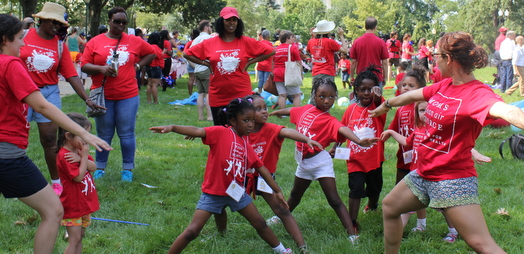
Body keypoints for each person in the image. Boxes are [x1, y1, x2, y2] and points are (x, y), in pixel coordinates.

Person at [369, 31, 524, 254]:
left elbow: (507, 110)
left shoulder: (477, 94)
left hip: (451, 179)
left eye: (436, 55)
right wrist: (387, 103)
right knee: (390, 206)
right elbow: (414, 95)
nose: (433, 60)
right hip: (424, 173)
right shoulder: (445, 86)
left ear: (448, 59)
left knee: (481, 244)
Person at [0, 14, 111, 254]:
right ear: (4, 39)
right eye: (20, 38)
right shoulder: (10, 64)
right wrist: (84, 133)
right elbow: (41, 106)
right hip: (6, 157)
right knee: (54, 212)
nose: (23, 44)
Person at [149, 98, 293, 254]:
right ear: (232, 120)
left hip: (236, 193)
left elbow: (262, 169)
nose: (251, 124)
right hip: (213, 194)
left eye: (252, 120)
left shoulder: (246, 144)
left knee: (260, 223)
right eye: (245, 120)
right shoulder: (220, 132)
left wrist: (277, 190)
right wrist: (172, 127)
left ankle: (281, 250)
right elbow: (198, 131)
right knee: (192, 231)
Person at [270, 78, 380, 244]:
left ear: (335, 97)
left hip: (321, 162)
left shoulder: (330, 120)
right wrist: (277, 112)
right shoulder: (305, 110)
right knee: (294, 194)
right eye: (322, 96)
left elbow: (343, 129)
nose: (326, 100)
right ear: (314, 95)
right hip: (303, 163)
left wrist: (357, 141)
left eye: (331, 97)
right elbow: (293, 111)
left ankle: (352, 234)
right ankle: (279, 217)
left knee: (334, 199)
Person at [20, 2, 103, 196]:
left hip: (48, 93)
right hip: (22, 93)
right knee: (18, 139)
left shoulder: (59, 45)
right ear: (42, 20)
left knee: (49, 139)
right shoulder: (23, 37)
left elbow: (70, 74)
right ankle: (16, 179)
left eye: (60, 25)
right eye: (53, 23)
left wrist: (86, 99)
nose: (57, 27)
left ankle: (56, 181)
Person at [382, 102, 492, 244]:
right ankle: (397, 234)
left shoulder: (440, 132)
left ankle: (453, 231)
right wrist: (391, 132)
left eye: (429, 110)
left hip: (436, 178)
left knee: (445, 208)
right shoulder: (418, 130)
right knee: (404, 206)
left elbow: (459, 145)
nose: (426, 113)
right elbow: (406, 141)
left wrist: (476, 154)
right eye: (422, 110)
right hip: (416, 177)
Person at [81, 7, 156, 182]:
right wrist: (101, 69)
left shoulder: (134, 41)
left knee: (126, 133)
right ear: (109, 21)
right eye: (117, 21)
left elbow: (152, 52)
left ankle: (127, 170)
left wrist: (137, 66)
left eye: (124, 22)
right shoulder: (95, 42)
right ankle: (100, 168)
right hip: (102, 94)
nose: (120, 25)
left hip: (127, 95)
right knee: (104, 133)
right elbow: (84, 65)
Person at [244, 94, 322, 253]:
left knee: (281, 210)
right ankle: (222, 232)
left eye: (265, 108)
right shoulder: (242, 130)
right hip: (242, 176)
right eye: (258, 109)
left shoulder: (271, 129)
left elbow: (287, 132)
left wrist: (306, 139)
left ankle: (302, 246)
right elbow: (222, 133)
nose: (264, 111)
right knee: (221, 202)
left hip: (265, 178)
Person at [184, 7, 275, 125]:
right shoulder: (210, 42)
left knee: (242, 131)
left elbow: (271, 51)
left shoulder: (245, 41)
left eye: (234, 20)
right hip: (218, 94)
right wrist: (205, 63)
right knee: (221, 132)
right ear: (221, 22)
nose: (232, 23)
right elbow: (187, 53)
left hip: (241, 93)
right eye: (228, 20)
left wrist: (250, 62)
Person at [331, 65, 386, 235]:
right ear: (356, 91)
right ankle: (352, 222)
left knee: (375, 188)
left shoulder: (378, 109)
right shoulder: (350, 110)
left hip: (374, 159)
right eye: (363, 89)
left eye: (371, 89)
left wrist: (378, 96)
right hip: (355, 159)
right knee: (355, 190)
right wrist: (335, 147)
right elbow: (343, 130)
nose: (367, 93)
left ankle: (372, 204)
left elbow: (379, 102)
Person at [385, 65, 427, 231]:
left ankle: (420, 223)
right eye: (404, 85)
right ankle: (401, 218)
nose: (406, 88)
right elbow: (393, 129)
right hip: (403, 157)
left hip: (419, 159)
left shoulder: (421, 107)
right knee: (401, 190)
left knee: (419, 193)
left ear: (420, 90)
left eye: (411, 86)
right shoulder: (400, 109)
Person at [56, 113, 100, 254]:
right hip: (73, 205)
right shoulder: (65, 156)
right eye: (83, 134)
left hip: (83, 203)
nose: (86, 139)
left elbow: (93, 167)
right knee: (74, 240)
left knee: (80, 237)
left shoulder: (79, 150)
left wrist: (82, 158)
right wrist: (84, 156)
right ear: (68, 136)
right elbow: (78, 177)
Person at [349, 17, 389, 91]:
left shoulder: (357, 42)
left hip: (362, 76)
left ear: (365, 26)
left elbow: (354, 62)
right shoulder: (381, 42)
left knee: (362, 99)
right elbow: (385, 62)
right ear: (375, 27)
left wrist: (351, 76)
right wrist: (385, 77)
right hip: (376, 76)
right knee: (377, 100)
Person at [306, 20, 347, 88]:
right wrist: (341, 35)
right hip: (328, 72)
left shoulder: (311, 41)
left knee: (316, 95)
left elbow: (308, 51)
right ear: (328, 31)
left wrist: (312, 37)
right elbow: (345, 51)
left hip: (316, 72)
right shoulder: (330, 42)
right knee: (327, 95)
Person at [190, 21, 215, 121]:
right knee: (209, 93)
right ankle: (209, 116)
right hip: (206, 69)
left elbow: (187, 55)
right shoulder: (209, 38)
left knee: (200, 93)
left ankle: (200, 117)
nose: (211, 29)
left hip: (198, 70)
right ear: (206, 27)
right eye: (210, 27)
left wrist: (195, 66)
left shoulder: (196, 40)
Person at [272, 31, 303, 109]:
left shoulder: (276, 48)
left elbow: (273, 61)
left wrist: (272, 72)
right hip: (289, 73)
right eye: (292, 37)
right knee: (296, 95)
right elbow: (298, 61)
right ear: (287, 39)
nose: (293, 38)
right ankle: (296, 113)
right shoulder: (292, 47)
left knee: (282, 95)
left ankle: (283, 114)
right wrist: (301, 73)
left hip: (277, 72)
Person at [146, 32, 164, 104]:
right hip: (156, 67)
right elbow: (159, 56)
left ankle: (149, 100)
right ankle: (155, 101)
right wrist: (164, 51)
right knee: (154, 84)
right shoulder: (155, 47)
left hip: (149, 66)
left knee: (149, 84)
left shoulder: (148, 46)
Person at [183, 29, 201, 97]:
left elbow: (185, 53)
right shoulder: (200, 42)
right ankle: (201, 94)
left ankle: (190, 93)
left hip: (190, 60)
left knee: (191, 78)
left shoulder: (189, 43)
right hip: (198, 61)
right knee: (200, 79)